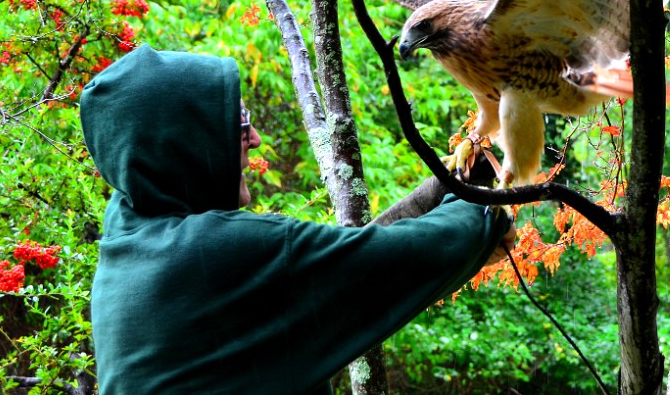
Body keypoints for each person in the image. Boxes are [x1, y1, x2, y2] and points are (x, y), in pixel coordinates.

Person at [80, 45, 513, 394]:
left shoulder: (129, 230)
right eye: (238, 123)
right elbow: (388, 263)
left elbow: (336, 263)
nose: (254, 138)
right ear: (183, 141)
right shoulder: (210, 251)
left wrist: (443, 188)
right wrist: (485, 211)